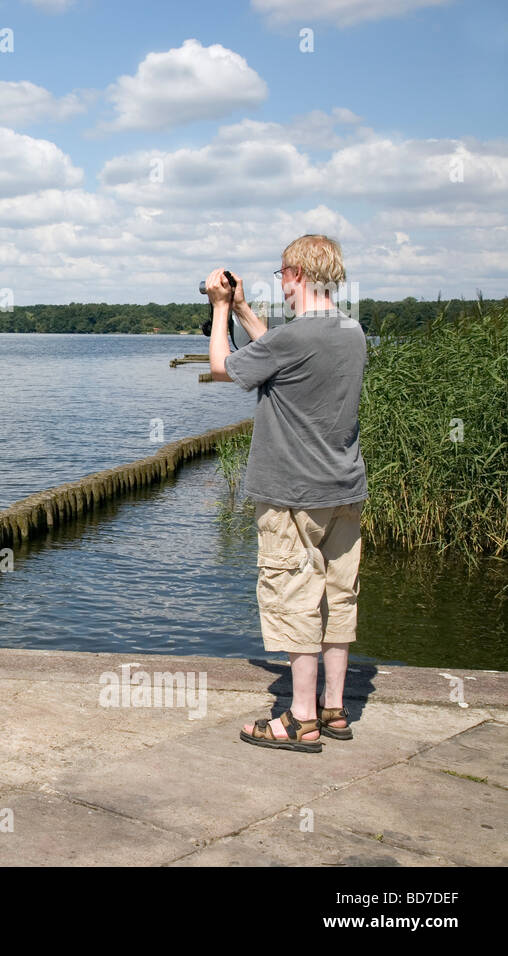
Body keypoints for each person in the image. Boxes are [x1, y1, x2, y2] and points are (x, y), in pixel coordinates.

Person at [204, 234, 369, 752]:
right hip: (344, 489)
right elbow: (279, 349)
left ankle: (299, 718)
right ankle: (335, 709)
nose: (282, 284)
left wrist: (219, 311)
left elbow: (222, 366)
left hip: (293, 494)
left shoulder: (293, 339)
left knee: (295, 597)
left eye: (282, 275)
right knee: (339, 597)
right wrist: (245, 307)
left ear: (296, 274)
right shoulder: (351, 331)